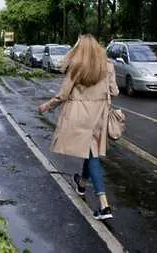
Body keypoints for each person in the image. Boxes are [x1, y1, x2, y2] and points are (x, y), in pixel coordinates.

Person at [38, 34, 119, 220]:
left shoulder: (77, 66)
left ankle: (104, 205)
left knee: (92, 155)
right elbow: (114, 91)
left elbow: (63, 95)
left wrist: (46, 106)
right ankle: (82, 184)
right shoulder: (107, 65)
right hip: (99, 116)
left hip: (80, 116)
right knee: (90, 151)